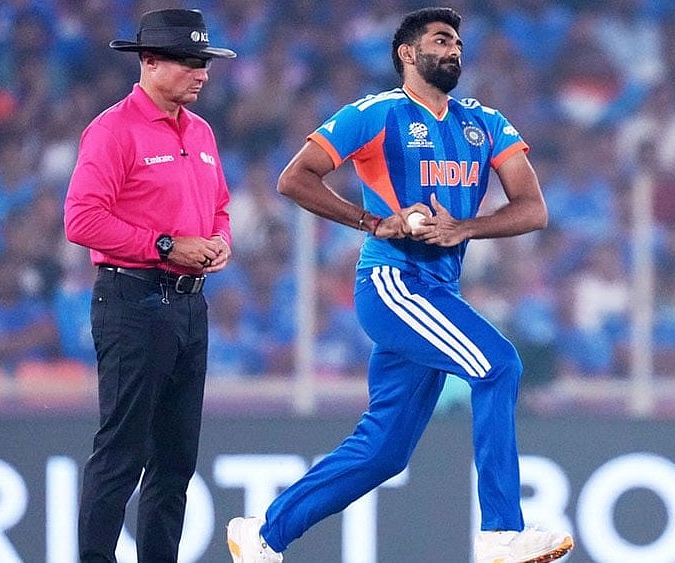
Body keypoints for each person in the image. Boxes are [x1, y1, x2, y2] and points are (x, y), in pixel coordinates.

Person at [226, 7, 573, 563]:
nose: (454, 49)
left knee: (385, 451)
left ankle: (264, 534)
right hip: (392, 279)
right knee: (500, 364)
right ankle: (502, 533)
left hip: (439, 288)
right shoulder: (378, 113)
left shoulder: (484, 121)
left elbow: (533, 210)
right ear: (407, 54)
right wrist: (373, 221)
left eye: (458, 41)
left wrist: (466, 227)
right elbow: (294, 178)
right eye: (441, 40)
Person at [63, 8, 235, 562]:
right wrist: (166, 245)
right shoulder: (113, 129)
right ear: (150, 61)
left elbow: (220, 208)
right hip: (132, 299)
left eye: (204, 62)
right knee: (121, 453)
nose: (201, 73)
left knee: (176, 461)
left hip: (188, 305)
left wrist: (218, 240)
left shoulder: (202, 132)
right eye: (189, 62)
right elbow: (81, 220)